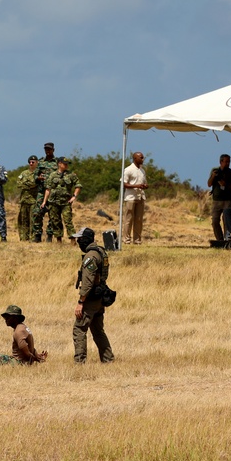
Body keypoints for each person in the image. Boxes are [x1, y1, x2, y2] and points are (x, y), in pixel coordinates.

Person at [71, 228, 114, 364]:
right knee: (97, 330)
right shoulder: (101, 252)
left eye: (79, 239)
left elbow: (88, 282)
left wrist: (81, 301)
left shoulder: (90, 256)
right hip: (100, 296)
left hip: (91, 298)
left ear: (85, 240)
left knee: (79, 329)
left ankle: (79, 363)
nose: (78, 242)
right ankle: (108, 359)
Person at [40, 157, 81, 243]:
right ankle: (59, 240)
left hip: (65, 202)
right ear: (59, 164)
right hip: (53, 202)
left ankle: (73, 240)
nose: (66, 165)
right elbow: (48, 189)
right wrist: (44, 201)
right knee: (56, 221)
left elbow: (78, 186)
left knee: (68, 221)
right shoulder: (52, 175)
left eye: (67, 164)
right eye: (64, 163)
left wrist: (74, 196)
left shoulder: (71, 175)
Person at [207, 154, 231, 241]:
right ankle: (219, 239)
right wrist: (213, 176)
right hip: (216, 200)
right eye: (226, 162)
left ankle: (227, 239)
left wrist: (226, 184)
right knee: (215, 221)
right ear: (221, 162)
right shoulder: (215, 171)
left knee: (226, 221)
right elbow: (209, 184)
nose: (228, 164)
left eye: (229, 162)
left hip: (228, 200)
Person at [32, 143, 57, 242]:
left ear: (53, 150)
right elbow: (35, 176)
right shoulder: (41, 162)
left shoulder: (57, 162)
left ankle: (50, 236)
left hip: (53, 192)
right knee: (37, 213)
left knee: (53, 214)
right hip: (42, 192)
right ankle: (37, 235)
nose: (47, 151)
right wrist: (38, 178)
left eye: (49, 149)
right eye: (46, 149)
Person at [122, 152, 148, 244]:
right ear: (135, 158)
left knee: (139, 220)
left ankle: (137, 240)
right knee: (128, 219)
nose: (142, 159)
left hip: (140, 196)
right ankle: (126, 239)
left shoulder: (142, 171)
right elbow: (124, 184)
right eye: (141, 158)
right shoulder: (128, 170)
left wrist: (144, 186)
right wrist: (136, 186)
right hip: (131, 197)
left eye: (143, 157)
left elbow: (144, 182)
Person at [16, 156, 39, 241]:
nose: (31, 163)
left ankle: (33, 238)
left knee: (33, 221)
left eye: (33, 162)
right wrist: (31, 184)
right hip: (24, 200)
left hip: (34, 200)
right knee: (23, 220)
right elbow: (19, 184)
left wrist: (27, 184)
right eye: (30, 162)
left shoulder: (39, 173)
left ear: (37, 162)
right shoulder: (24, 173)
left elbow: (36, 184)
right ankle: (23, 238)